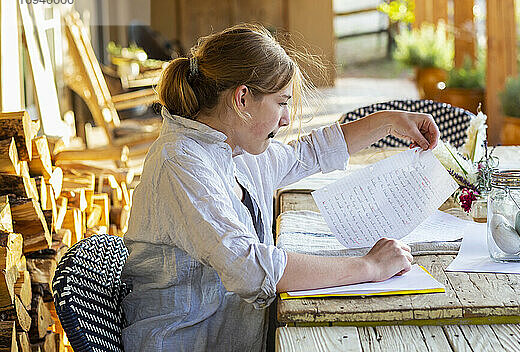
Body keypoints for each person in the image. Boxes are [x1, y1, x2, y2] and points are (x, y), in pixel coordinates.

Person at [121, 24, 440, 352]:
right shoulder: (182, 162)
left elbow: (307, 155)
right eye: (281, 103)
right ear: (242, 98)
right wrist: (369, 267)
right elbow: (247, 267)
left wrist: (389, 121)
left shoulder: (232, 146)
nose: (286, 119)